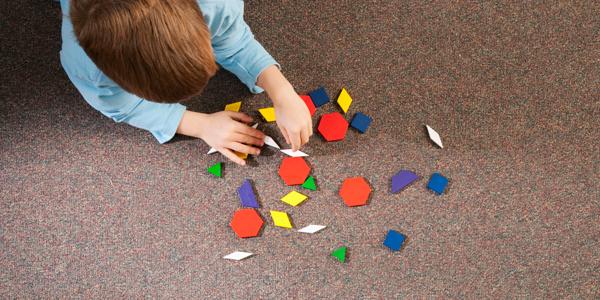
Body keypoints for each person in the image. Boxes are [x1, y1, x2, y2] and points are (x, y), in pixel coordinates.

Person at [60, 0, 312, 165]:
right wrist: (199, 125)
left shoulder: (216, 4)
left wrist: (282, 91)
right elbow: (121, 105)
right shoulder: (86, 64)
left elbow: (232, 38)